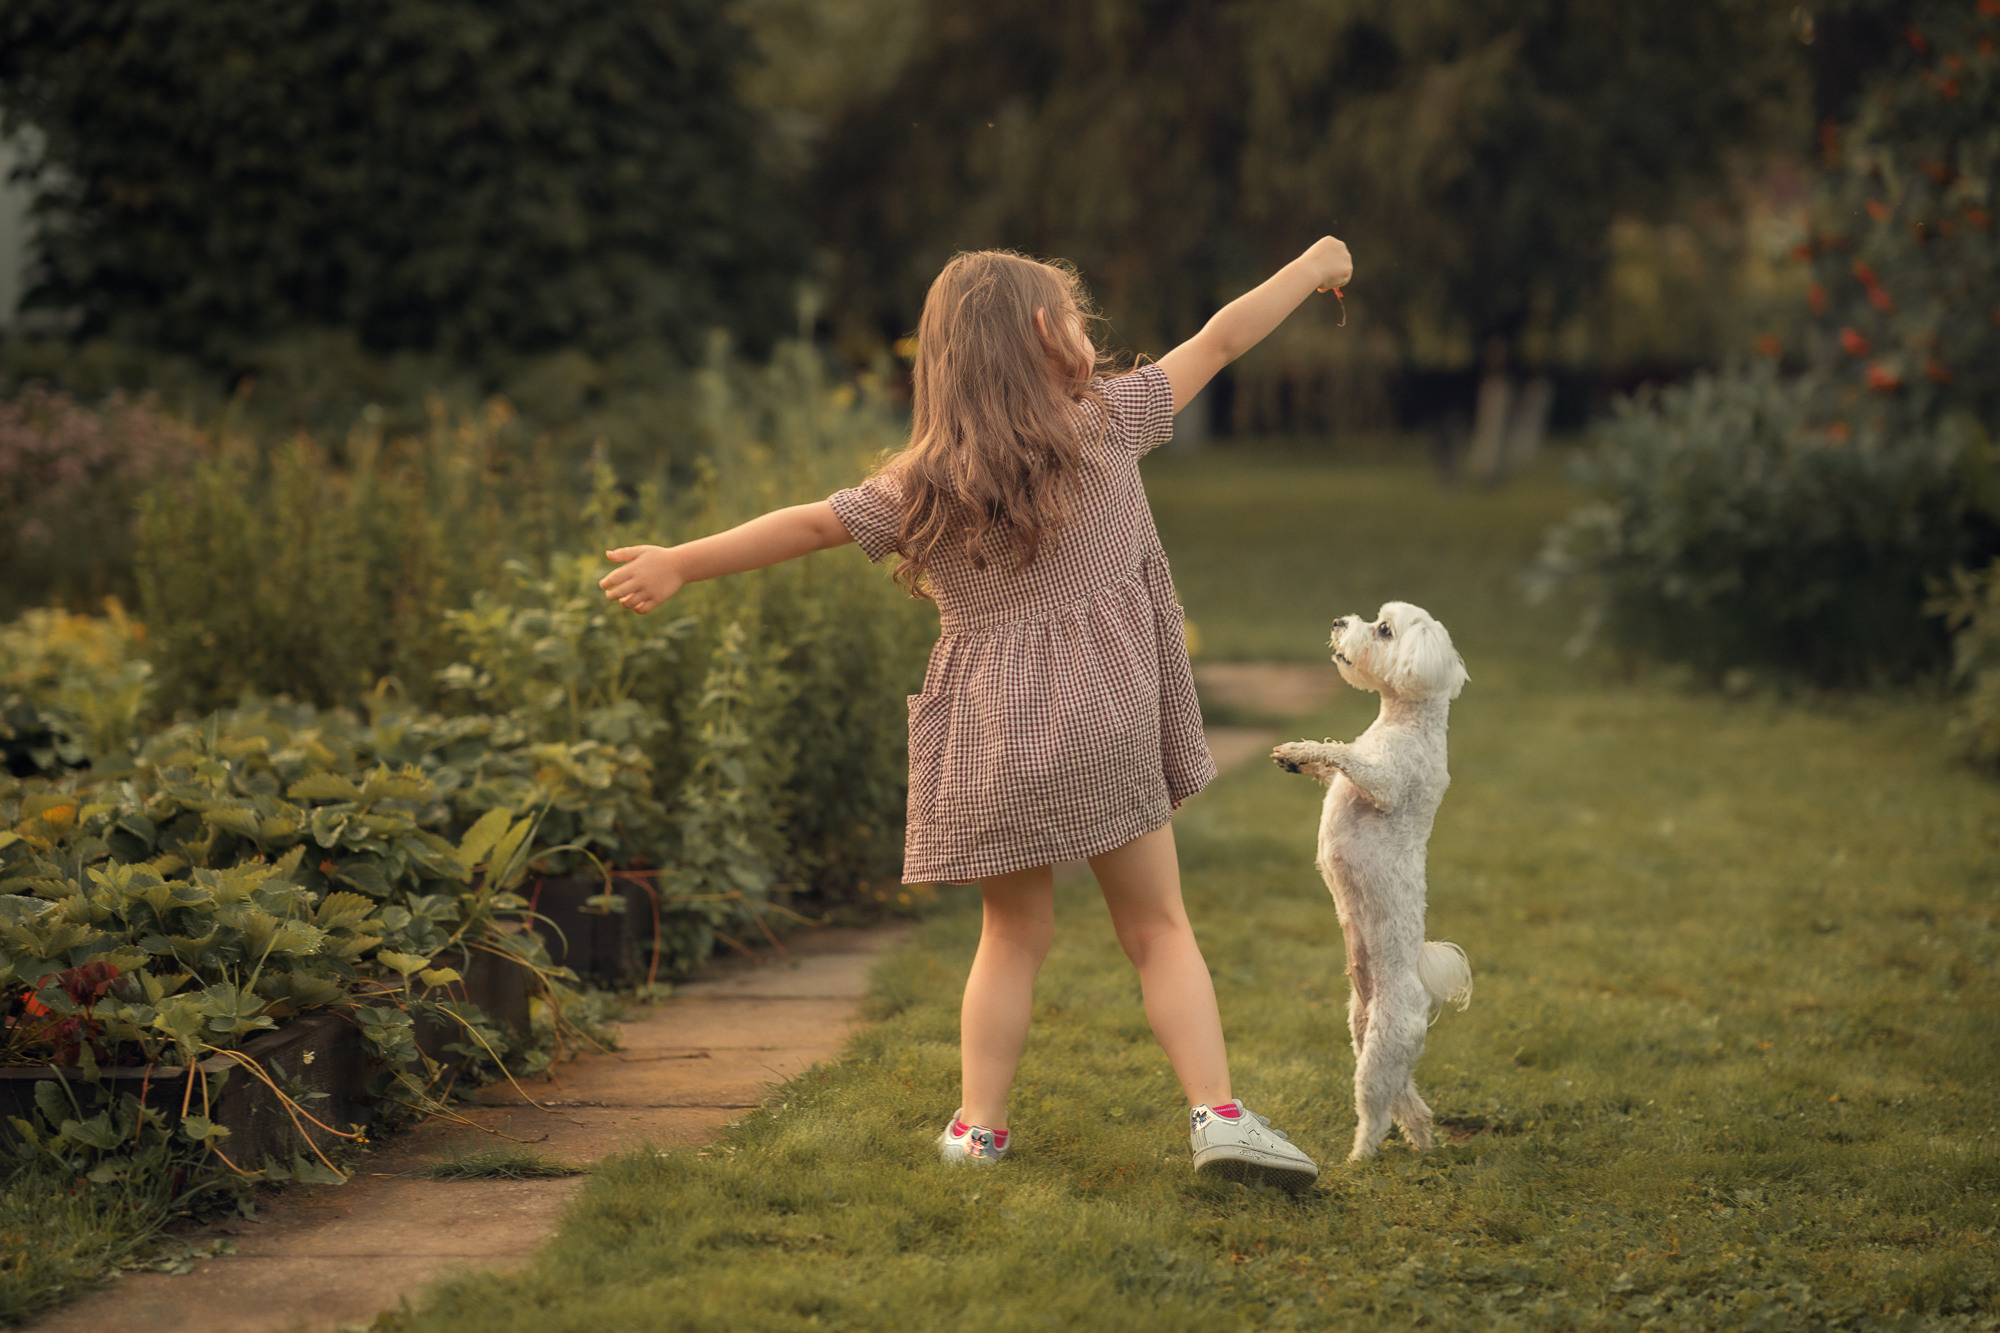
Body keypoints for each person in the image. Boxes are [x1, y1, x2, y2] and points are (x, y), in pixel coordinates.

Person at [598, 239, 1353, 1190]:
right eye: (1074, 316)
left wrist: (681, 559)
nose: (1087, 331)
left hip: (994, 736)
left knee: (1012, 935)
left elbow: (810, 524)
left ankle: (979, 1130)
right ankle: (1219, 1113)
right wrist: (1311, 266)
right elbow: (1223, 339)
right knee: (1159, 927)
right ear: (1046, 332)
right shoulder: (1110, 422)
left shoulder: (924, 482)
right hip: (1106, 719)